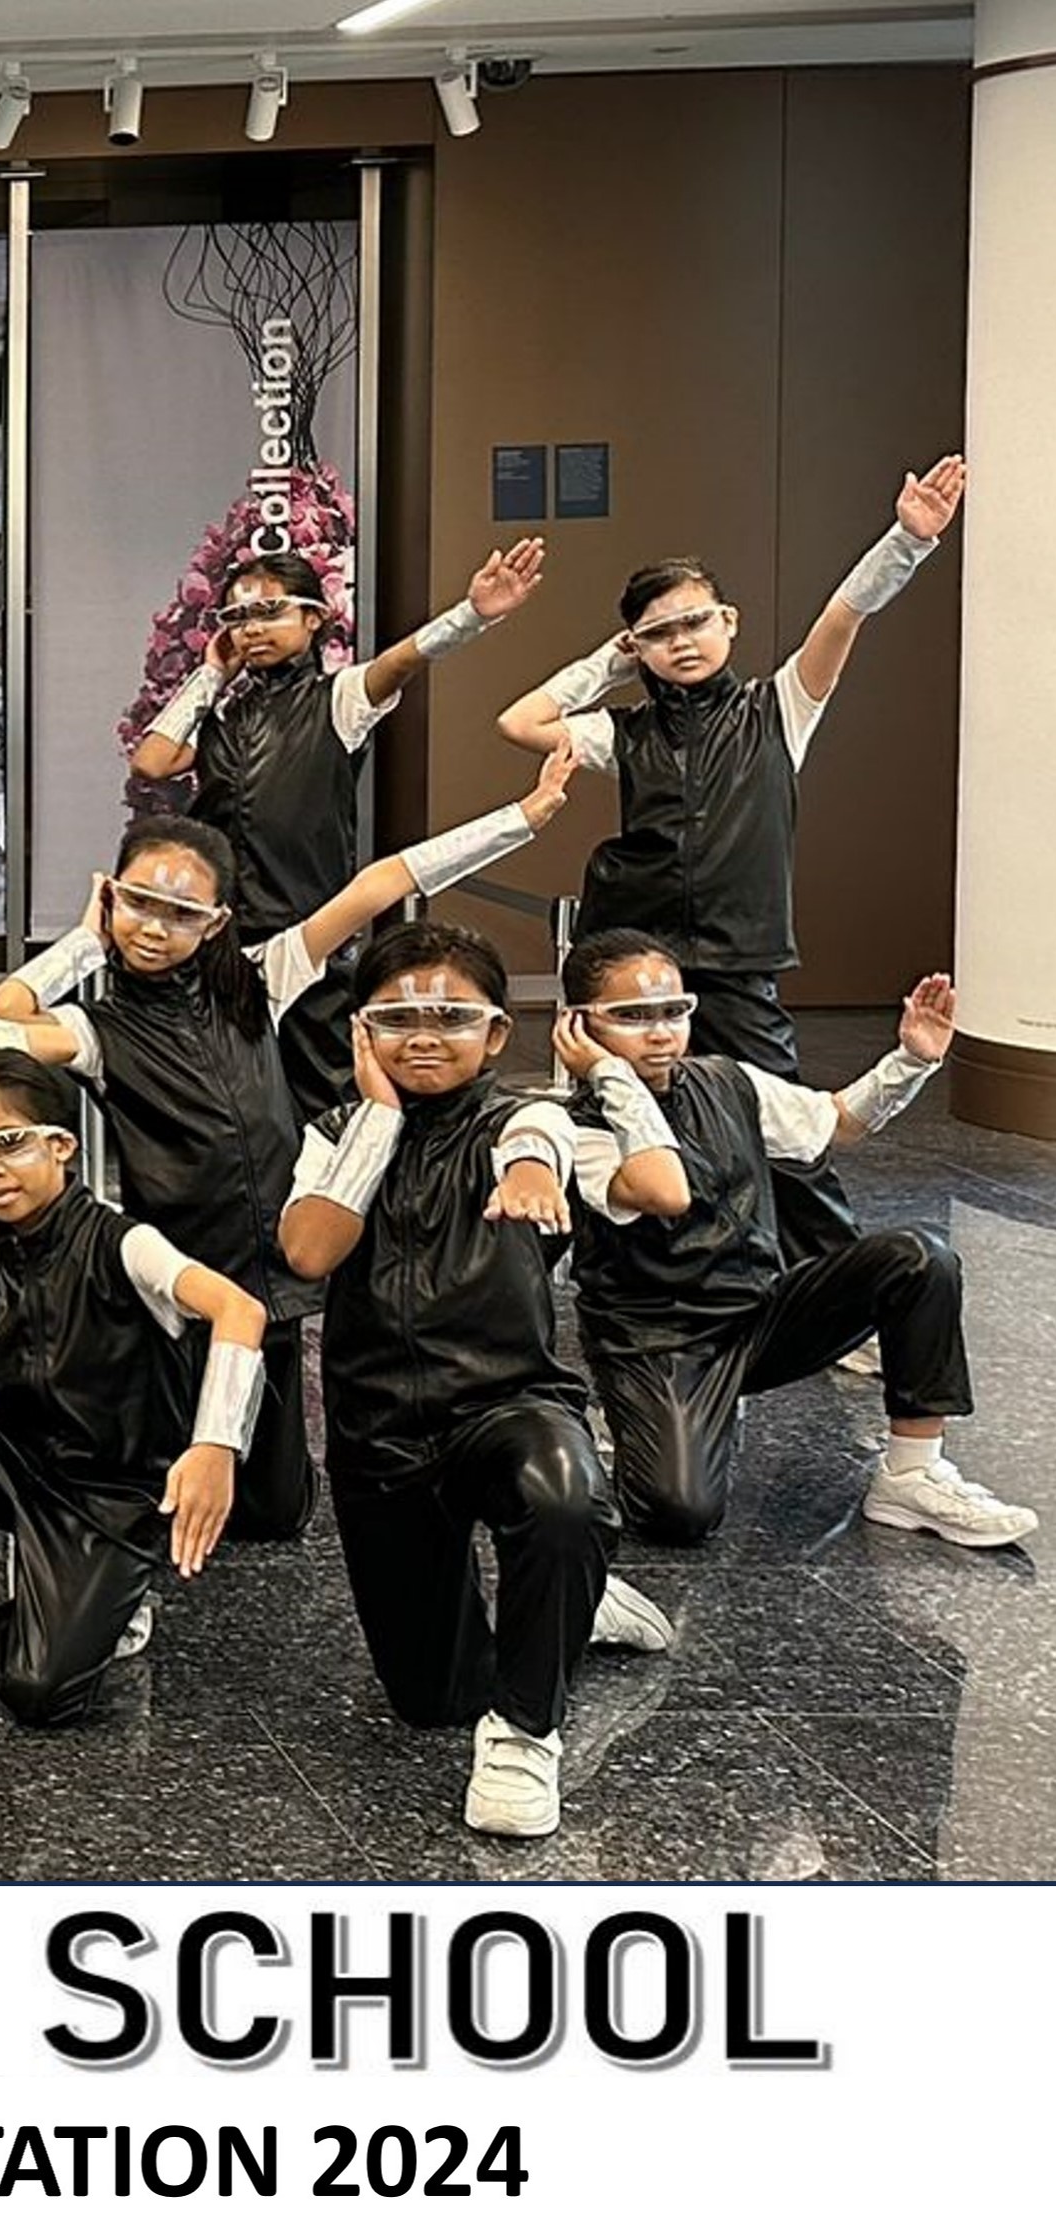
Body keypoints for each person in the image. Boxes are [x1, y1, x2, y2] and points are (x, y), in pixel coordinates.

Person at [0, 754, 580, 1542]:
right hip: (181, 1280)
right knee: (167, 1485)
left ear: (216, 921)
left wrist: (520, 819)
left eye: (179, 912)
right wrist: (83, 942)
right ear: (110, 895)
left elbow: (378, 883)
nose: (152, 927)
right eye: (136, 903)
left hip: (277, 1279)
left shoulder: (259, 980)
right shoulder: (97, 1028)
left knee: (274, 1511)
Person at [501, 455, 966, 1254]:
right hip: (632, 957)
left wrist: (906, 541)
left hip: (737, 954)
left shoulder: (777, 708)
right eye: (657, 633)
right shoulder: (623, 731)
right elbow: (521, 722)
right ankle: (614, 1267)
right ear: (635, 646)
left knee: (781, 1123)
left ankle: (829, 1275)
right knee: (612, 1110)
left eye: (693, 621)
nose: (679, 641)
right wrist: (610, 662)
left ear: (729, 621)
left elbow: (843, 615)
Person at [279, 922, 677, 1839]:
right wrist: (377, 1119)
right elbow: (308, 1250)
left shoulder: (527, 1121)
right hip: (378, 1435)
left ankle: (526, 1732)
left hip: (506, 1406)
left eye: (451, 1016)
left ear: (496, 1032)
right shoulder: (332, 1133)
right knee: (432, 1698)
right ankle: (571, 1598)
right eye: (397, 1017)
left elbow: (654, 1187)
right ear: (360, 1031)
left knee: (564, 1492)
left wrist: (568, 1125)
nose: (424, 1035)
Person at [552, 934, 1023, 1548]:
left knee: (918, 1259)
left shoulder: (727, 1080)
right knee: (677, 1514)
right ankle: (624, 1419)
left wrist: (910, 1061)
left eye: (674, 1010)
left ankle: (911, 1474)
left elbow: (835, 1121)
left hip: (759, 1314)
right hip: (660, 1344)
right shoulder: (575, 1128)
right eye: (632, 1017)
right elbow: (666, 1191)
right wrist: (611, 1077)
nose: (662, 1033)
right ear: (579, 1025)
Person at [0, 1053, 267, 1719]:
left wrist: (215, 1444)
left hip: (115, 1496)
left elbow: (240, 1309)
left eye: (10, 1142)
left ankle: (86, 1591)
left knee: (39, 1693)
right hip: (20, 1470)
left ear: (61, 1144)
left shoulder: (124, 1241)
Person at [129, 541, 547, 1110]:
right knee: (229, 1093)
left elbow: (400, 663)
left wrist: (471, 614)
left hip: (312, 932)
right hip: (221, 937)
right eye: (238, 617)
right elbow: (152, 761)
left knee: (321, 1094)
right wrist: (210, 674)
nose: (252, 628)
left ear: (313, 617)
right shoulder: (224, 717)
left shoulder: (340, 697)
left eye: (269, 610)